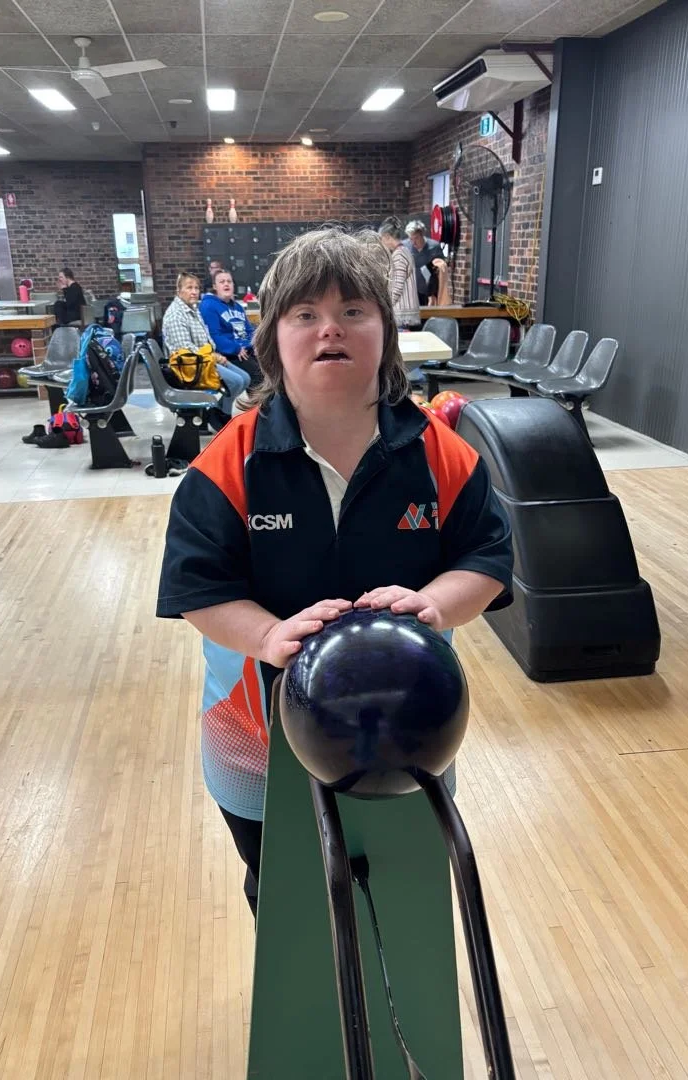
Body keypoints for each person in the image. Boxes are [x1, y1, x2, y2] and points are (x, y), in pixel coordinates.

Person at [156, 228, 513, 917]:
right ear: (273, 338)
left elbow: (489, 560)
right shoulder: (227, 464)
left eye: (354, 310)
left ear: (385, 330)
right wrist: (266, 637)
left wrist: (436, 603)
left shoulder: (443, 454)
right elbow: (199, 591)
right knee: (288, 900)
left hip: (413, 736)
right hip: (257, 745)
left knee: (402, 903)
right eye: (305, 314)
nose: (331, 330)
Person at [162, 272, 251, 428]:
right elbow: (185, 350)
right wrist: (215, 357)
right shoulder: (176, 315)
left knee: (245, 378)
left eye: (196, 288)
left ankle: (217, 411)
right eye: (189, 288)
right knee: (236, 381)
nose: (194, 291)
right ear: (179, 290)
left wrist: (214, 355)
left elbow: (206, 340)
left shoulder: (193, 309)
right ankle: (222, 415)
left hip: (205, 358)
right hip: (189, 366)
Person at [198, 269, 261, 385]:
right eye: (222, 282)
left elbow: (249, 329)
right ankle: (260, 403)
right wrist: (235, 348)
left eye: (229, 281)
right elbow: (214, 335)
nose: (226, 284)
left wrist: (255, 343)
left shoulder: (238, 307)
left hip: (247, 349)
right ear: (215, 286)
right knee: (259, 377)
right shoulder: (208, 306)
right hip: (230, 354)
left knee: (271, 369)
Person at [378, 220, 421, 329]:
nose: (381, 243)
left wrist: (383, 308)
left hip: (402, 316)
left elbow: (396, 287)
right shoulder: (404, 251)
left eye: (381, 239)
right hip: (405, 315)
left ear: (387, 237)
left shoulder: (399, 255)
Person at [404, 220, 447, 307]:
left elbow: (441, 267)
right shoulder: (405, 246)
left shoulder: (434, 247)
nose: (413, 242)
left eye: (416, 238)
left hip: (429, 291)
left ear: (422, 235)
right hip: (411, 290)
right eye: (411, 239)